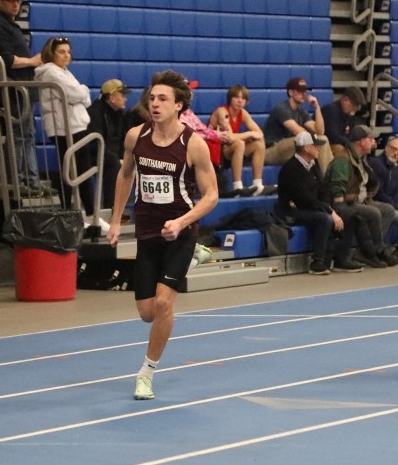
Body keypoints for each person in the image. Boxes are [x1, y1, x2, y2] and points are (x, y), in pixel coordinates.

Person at [107, 70, 218, 401]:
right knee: (147, 312)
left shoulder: (193, 145)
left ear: (178, 105)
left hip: (179, 234)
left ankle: (146, 373)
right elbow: (125, 175)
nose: (155, 104)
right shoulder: (135, 137)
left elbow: (211, 196)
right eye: (152, 98)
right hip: (147, 233)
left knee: (163, 302)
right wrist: (116, 220)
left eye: (162, 99)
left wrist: (182, 222)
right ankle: (195, 260)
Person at [0, 0, 49, 196]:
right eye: (11, 0)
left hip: (23, 89)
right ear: (0, 1)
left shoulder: (10, 26)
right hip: (14, 90)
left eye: (18, 0)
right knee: (19, 136)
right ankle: (18, 180)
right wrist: (32, 61)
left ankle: (31, 181)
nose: (15, 4)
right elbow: (7, 59)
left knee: (27, 135)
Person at [276, 131, 362, 274]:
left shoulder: (313, 165)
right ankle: (318, 261)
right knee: (325, 219)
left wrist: (331, 208)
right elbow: (304, 199)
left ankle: (341, 259)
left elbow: (324, 190)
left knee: (349, 215)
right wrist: (330, 211)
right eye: (316, 146)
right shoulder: (290, 169)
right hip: (292, 211)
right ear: (307, 148)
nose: (319, 149)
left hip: (312, 207)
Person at [33, 37, 99, 214]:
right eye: (61, 52)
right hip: (65, 128)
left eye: (68, 52)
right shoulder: (51, 72)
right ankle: (83, 211)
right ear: (51, 54)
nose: (66, 55)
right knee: (76, 168)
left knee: (78, 169)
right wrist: (84, 90)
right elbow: (75, 94)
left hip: (75, 125)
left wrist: (81, 93)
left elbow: (84, 99)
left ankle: (84, 210)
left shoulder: (64, 72)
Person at [325, 125, 398, 268]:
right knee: (373, 213)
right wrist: (340, 205)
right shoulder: (342, 160)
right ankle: (373, 252)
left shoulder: (360, 158)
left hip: (361, 199)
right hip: (347, 202)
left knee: (388, 210)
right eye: (371, 139)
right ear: (361, 141)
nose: (374, 142)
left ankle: (376, 248)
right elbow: (337, 186)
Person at [208, 84, 270, 196]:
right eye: (236, 97)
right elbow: (230, 137)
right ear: (230, 99)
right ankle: (238, 186)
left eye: (243, 98)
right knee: (239, 144)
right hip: (215, 151)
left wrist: (251, 134)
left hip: (229, 149)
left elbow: (260, 134)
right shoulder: (222, 112)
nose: (240, 101)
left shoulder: (243, 113)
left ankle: (257, 185)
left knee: (259, 144)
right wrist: (249, 134)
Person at [263, 77, 333, 172]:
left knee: (322, 138)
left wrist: (317, 107)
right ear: (291, 92)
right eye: (299, 91)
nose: (303, 94)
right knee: (311, 140)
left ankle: (328, 176)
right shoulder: (282, 109)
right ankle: (329, 177)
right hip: (271, 150)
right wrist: (315, 138)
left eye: (304, 91)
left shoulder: (301, 111)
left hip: (289, 148)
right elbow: (299, 132)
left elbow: (320, 131)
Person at [89, 79, 132, 210]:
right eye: (122, 95)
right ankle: (112, 207)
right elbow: (94, 144)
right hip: (94, 155)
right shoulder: (95, 113)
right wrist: (117, 159)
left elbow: (123, 140)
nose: (125, 99)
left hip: (113, 156)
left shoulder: (120, 114)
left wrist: (125, 157)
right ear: (112, 98)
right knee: (113, 164)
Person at [321, 86, 367, 154]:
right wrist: (349, 143)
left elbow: (349, 134)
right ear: (345, 100)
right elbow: (333, 136)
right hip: (325, 144)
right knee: (341, 149)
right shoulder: (331, 110)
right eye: (354, 105)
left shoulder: (350, 115)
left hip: (340, 143)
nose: (355, 108)